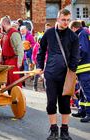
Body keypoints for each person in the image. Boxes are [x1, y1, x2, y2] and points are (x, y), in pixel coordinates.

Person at [36, 9, 79, 140]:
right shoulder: (48, 33)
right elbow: (41, 51)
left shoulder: (73, 36)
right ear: (57, 19)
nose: (65, 22)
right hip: (50, 75)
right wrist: (39, 67)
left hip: (65, 76)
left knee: (65, 104)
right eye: (63, 20)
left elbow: (74, 57)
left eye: (68, 20)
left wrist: (72, 74)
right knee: (51, 103)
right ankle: (53, 130)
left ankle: (64, 131)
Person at [69, 20, 90, 122]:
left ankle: (89, 114)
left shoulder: (82, 34)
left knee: (87, 91)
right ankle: (82, 111)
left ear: (74, 28)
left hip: (85, 69)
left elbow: (82, 50)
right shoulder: (83, 33)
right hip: (83, 69)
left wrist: (74, 59)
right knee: (82, 91)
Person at [0, 16, 24, 94]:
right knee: (9, 84)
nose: (0, 27)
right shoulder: (5, 34)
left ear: (3, 24)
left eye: (1, 24)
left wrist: (19, 62)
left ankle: (17, 101)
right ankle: (12, 100)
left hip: (13, 62)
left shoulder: (14, 33)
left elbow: (20, 49)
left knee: (15, 83)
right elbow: (3, 48)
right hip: (6, 62)